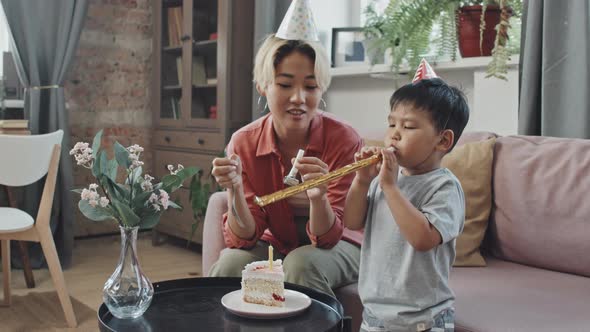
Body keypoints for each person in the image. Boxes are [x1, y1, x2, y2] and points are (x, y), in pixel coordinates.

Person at [208, 1, 363, 297]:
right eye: (285, 84)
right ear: (263, 86)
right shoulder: (244, 142)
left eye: (311, 86)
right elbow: (242, 239)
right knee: (230, 264)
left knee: (302, 263)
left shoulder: (344, 140)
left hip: (343, 242)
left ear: (322, 89)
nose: (299, 98)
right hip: (278, 240)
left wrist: (318, 196)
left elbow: (330, 237)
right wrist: (235, 190)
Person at [344, 62, 470, 332]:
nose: (394, 134)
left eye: (409, 126)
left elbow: (423, 239)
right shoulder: (385, 179)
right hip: (375, 316)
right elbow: (353, 221)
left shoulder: (445, 188)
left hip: (424, 320)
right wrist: (362, 179)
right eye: (391, 123)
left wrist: (390, 187)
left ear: (443, 141)